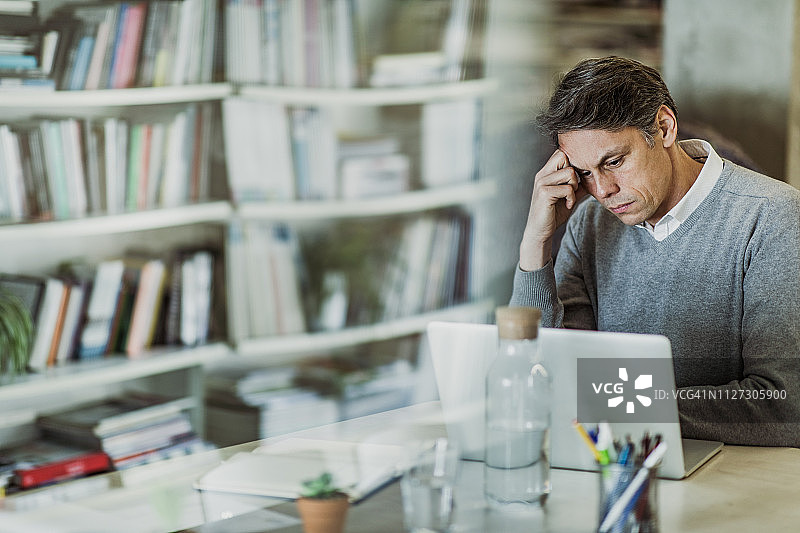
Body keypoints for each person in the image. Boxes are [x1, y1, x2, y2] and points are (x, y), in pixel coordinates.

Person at [510, 55, 800, 447]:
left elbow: (783, 405)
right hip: (617, 461)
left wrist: (628, 408)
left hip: (733, 470)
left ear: (663, 127)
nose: (602, 190)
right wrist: (536, 242)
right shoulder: (590, 222)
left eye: (615, 161)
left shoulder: (772, 216)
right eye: (585, 173)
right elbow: (541, 377)